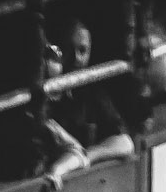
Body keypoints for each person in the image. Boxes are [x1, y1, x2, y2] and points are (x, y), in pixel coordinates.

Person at [49, 22, 136, 168]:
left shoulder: (93, 93)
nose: (76, 58)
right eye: (69, 49)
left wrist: (84, 157)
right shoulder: (46, 100)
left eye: (82, 50)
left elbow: (124, 143)